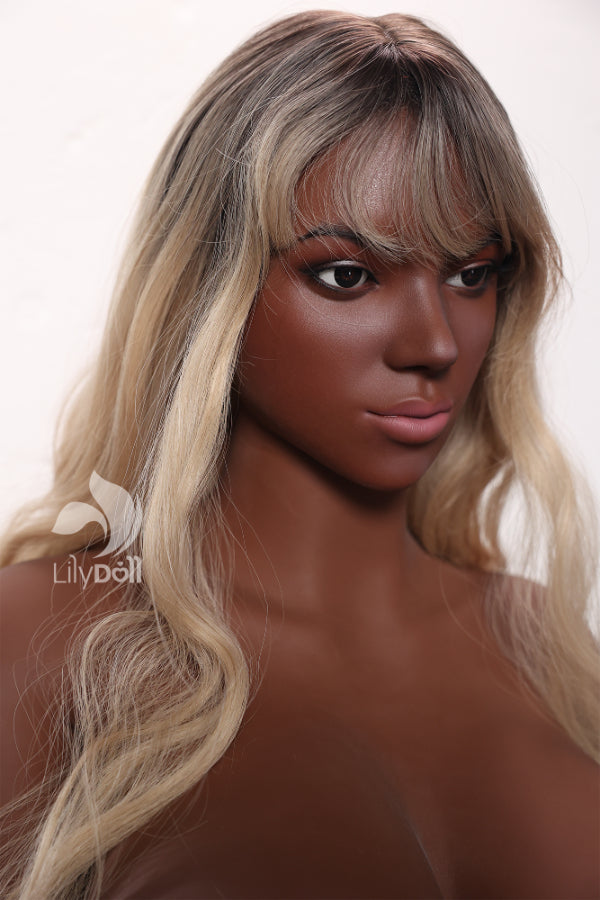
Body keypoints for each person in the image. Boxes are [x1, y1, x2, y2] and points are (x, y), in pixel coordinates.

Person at [1, 9, 598, 899]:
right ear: (209, 285)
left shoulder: (546, 646)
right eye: (348, 275)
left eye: (471, 274)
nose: (435, 343)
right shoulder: (37, 641)